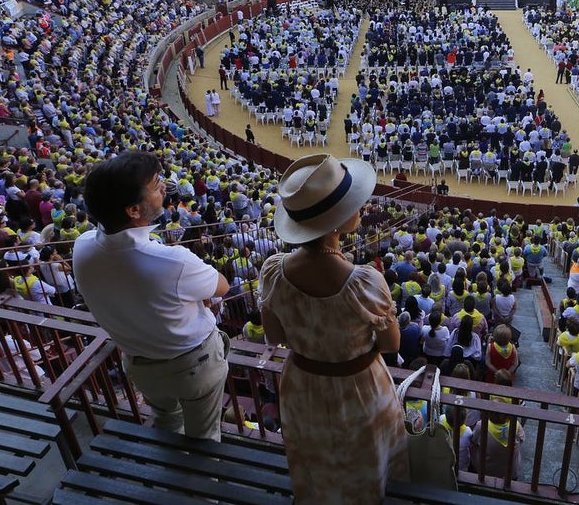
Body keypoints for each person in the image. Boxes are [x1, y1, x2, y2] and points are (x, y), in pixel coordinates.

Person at [258, 153, 407, 504]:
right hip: (359, 391)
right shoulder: (366, 282)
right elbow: (390, 344)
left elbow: (275, 336)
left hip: (303, 389)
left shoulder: (273, 271)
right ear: (336, 222)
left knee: (317, 468)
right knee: (366, 468)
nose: (361, 207)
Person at [73, 151, 230, 439]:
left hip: (139, 364)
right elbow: (222, 286)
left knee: (166, 422)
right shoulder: (173, 261)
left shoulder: (82, 247)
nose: (163, 187)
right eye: (156, 184)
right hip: (192, 364)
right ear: (133, 210)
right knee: (204, 434)